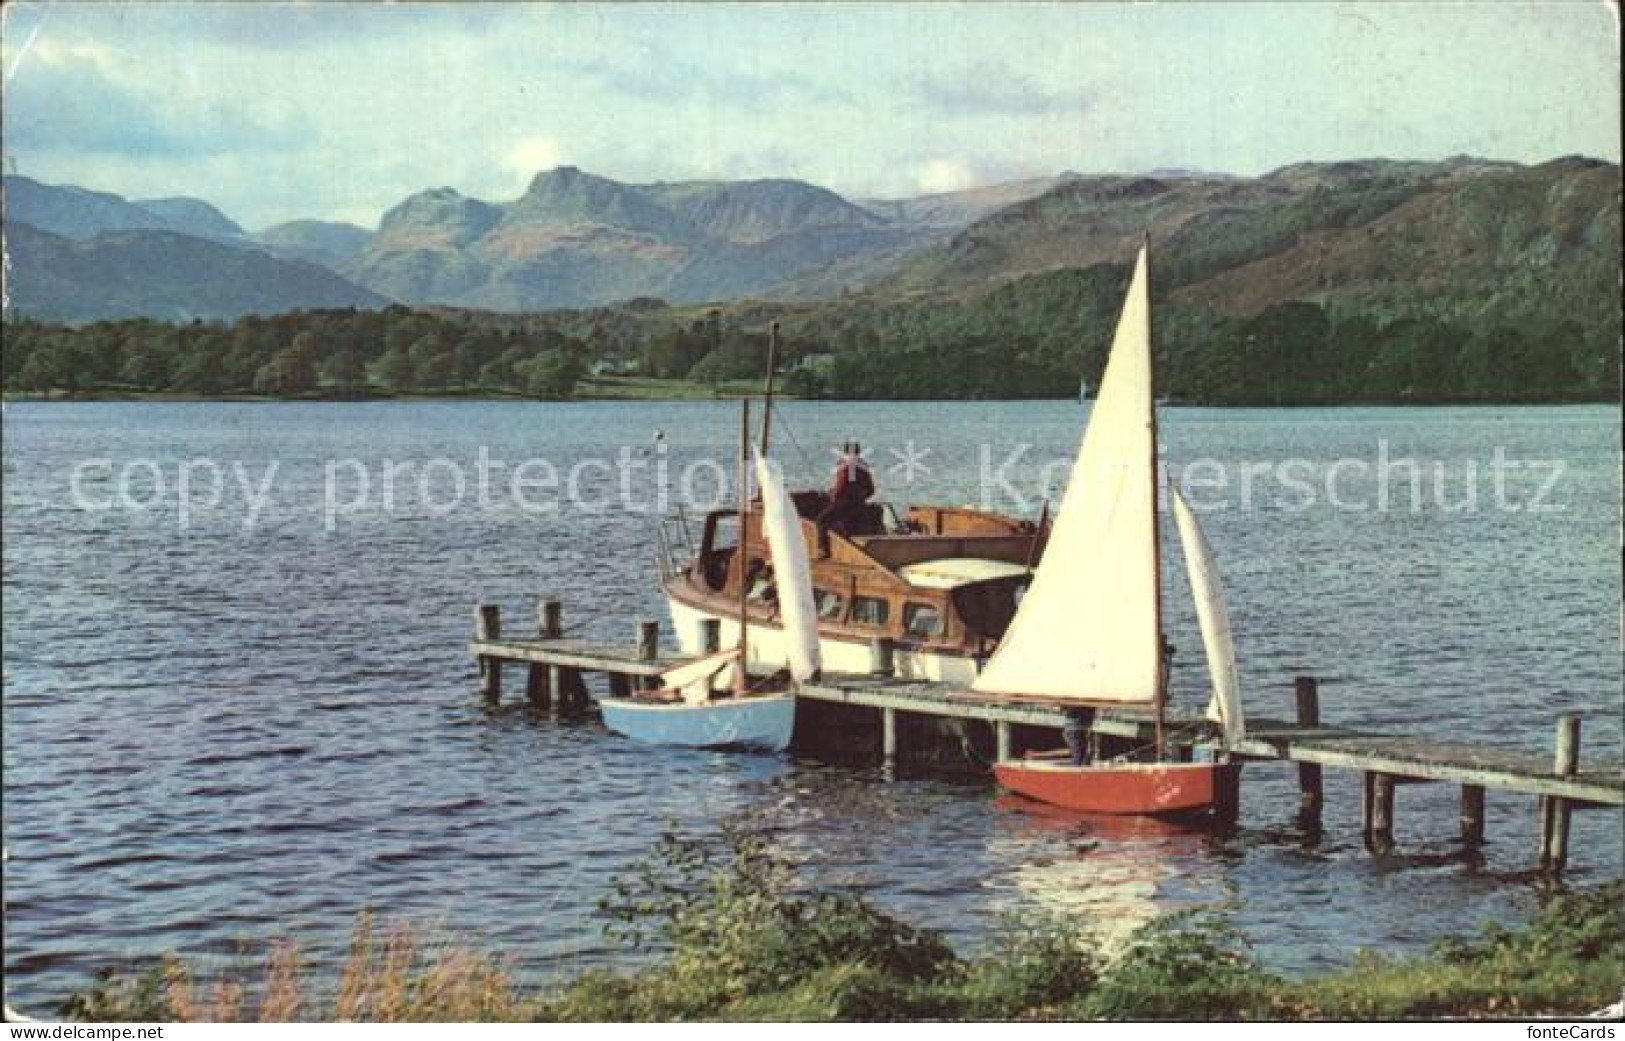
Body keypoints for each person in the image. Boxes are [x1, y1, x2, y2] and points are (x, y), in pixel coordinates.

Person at [816, 441, 875, 556]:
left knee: (821, 521)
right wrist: (860, 498)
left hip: (843, 503)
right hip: (859, 505)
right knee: (848, 529)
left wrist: (833, 495)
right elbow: (871, 490)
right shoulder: (863, 466)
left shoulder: (845, 465)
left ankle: (823, 550)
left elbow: (841, 486)